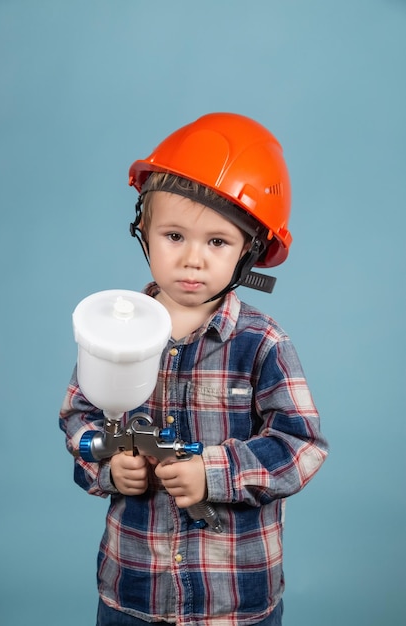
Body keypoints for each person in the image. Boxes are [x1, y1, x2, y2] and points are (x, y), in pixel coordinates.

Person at [59, 112, 328, 626]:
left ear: (248, 252)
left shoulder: (261, 343)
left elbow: (302, 446)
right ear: (143, 230)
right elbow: (79, 417)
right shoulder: (115, 330)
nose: (193, 260)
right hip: (134, 589)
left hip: (234, 599)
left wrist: (215, 473)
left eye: (217, 243)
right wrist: (107, 467)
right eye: (174, 235)